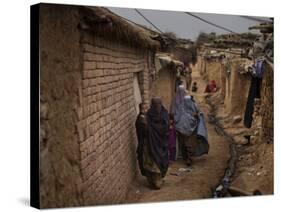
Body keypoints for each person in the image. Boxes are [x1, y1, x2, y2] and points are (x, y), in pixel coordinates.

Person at [171, 88, 209, 167]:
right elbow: (197, 111)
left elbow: (173, 115)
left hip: (180, 128)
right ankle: (189, 158)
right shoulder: (190, 101)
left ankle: (186, 158)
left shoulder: (176, 103)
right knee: (190, 143)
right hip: (191, 128)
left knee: (183, 143)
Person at [137, 97, 169, 189]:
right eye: (156, 104)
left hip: (157, 144)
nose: (157, 107)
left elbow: (165, 127)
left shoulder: (152, 114)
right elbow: (143, 128)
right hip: (152, 144)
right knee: (152, 162)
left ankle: (156, 182)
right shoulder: (159, 113)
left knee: (154, 163)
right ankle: (153, 182)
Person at [135, 103, 148, 176]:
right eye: (145, 108)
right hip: (143, 143)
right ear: (142, 109)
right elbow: (144, 132)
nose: (147, 110)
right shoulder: (141, 120)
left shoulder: (144, 118)